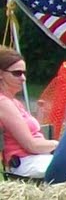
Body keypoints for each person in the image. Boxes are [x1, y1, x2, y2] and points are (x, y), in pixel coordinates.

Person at [0, 47, 54, 178]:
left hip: (36, 159)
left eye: (24, 73)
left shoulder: (13, 102)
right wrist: (63, 144)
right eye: (17, 73)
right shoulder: (3, 103)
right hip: (26, 163)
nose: (23, 78)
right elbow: (32, 145)